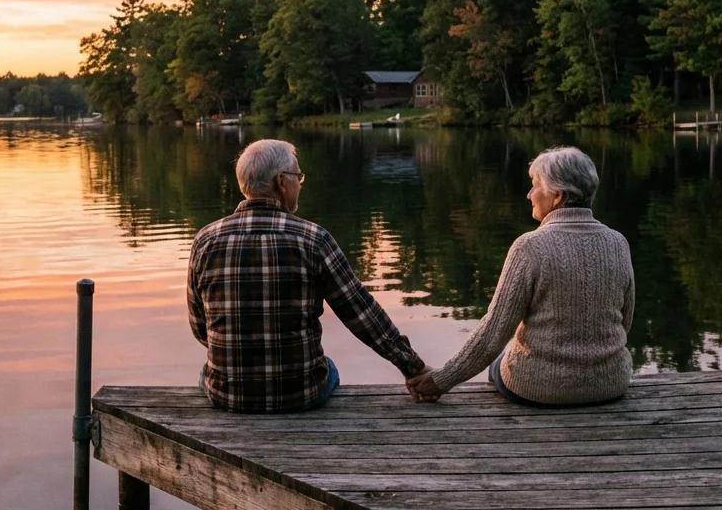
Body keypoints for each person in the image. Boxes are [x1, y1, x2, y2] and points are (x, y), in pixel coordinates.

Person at [188, 138, 430, 412]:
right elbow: (362, 315)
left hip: (226, 396)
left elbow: (200, 327)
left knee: (206, 371)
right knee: (330, 368)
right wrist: (413, 367)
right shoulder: (314, 240)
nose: (299, 185)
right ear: (281, 182)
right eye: (297, 177)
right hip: (300, 395)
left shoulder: (205, 241)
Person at [407, 146, 634, 407]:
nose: (529, 195)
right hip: (610, 385)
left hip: (542, 389)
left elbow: (494, 333)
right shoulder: (618, 243)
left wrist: (441, 380)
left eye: (535, 185)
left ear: (557, 195)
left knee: (498, 362)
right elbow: (624, 321)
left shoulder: (530, 246)